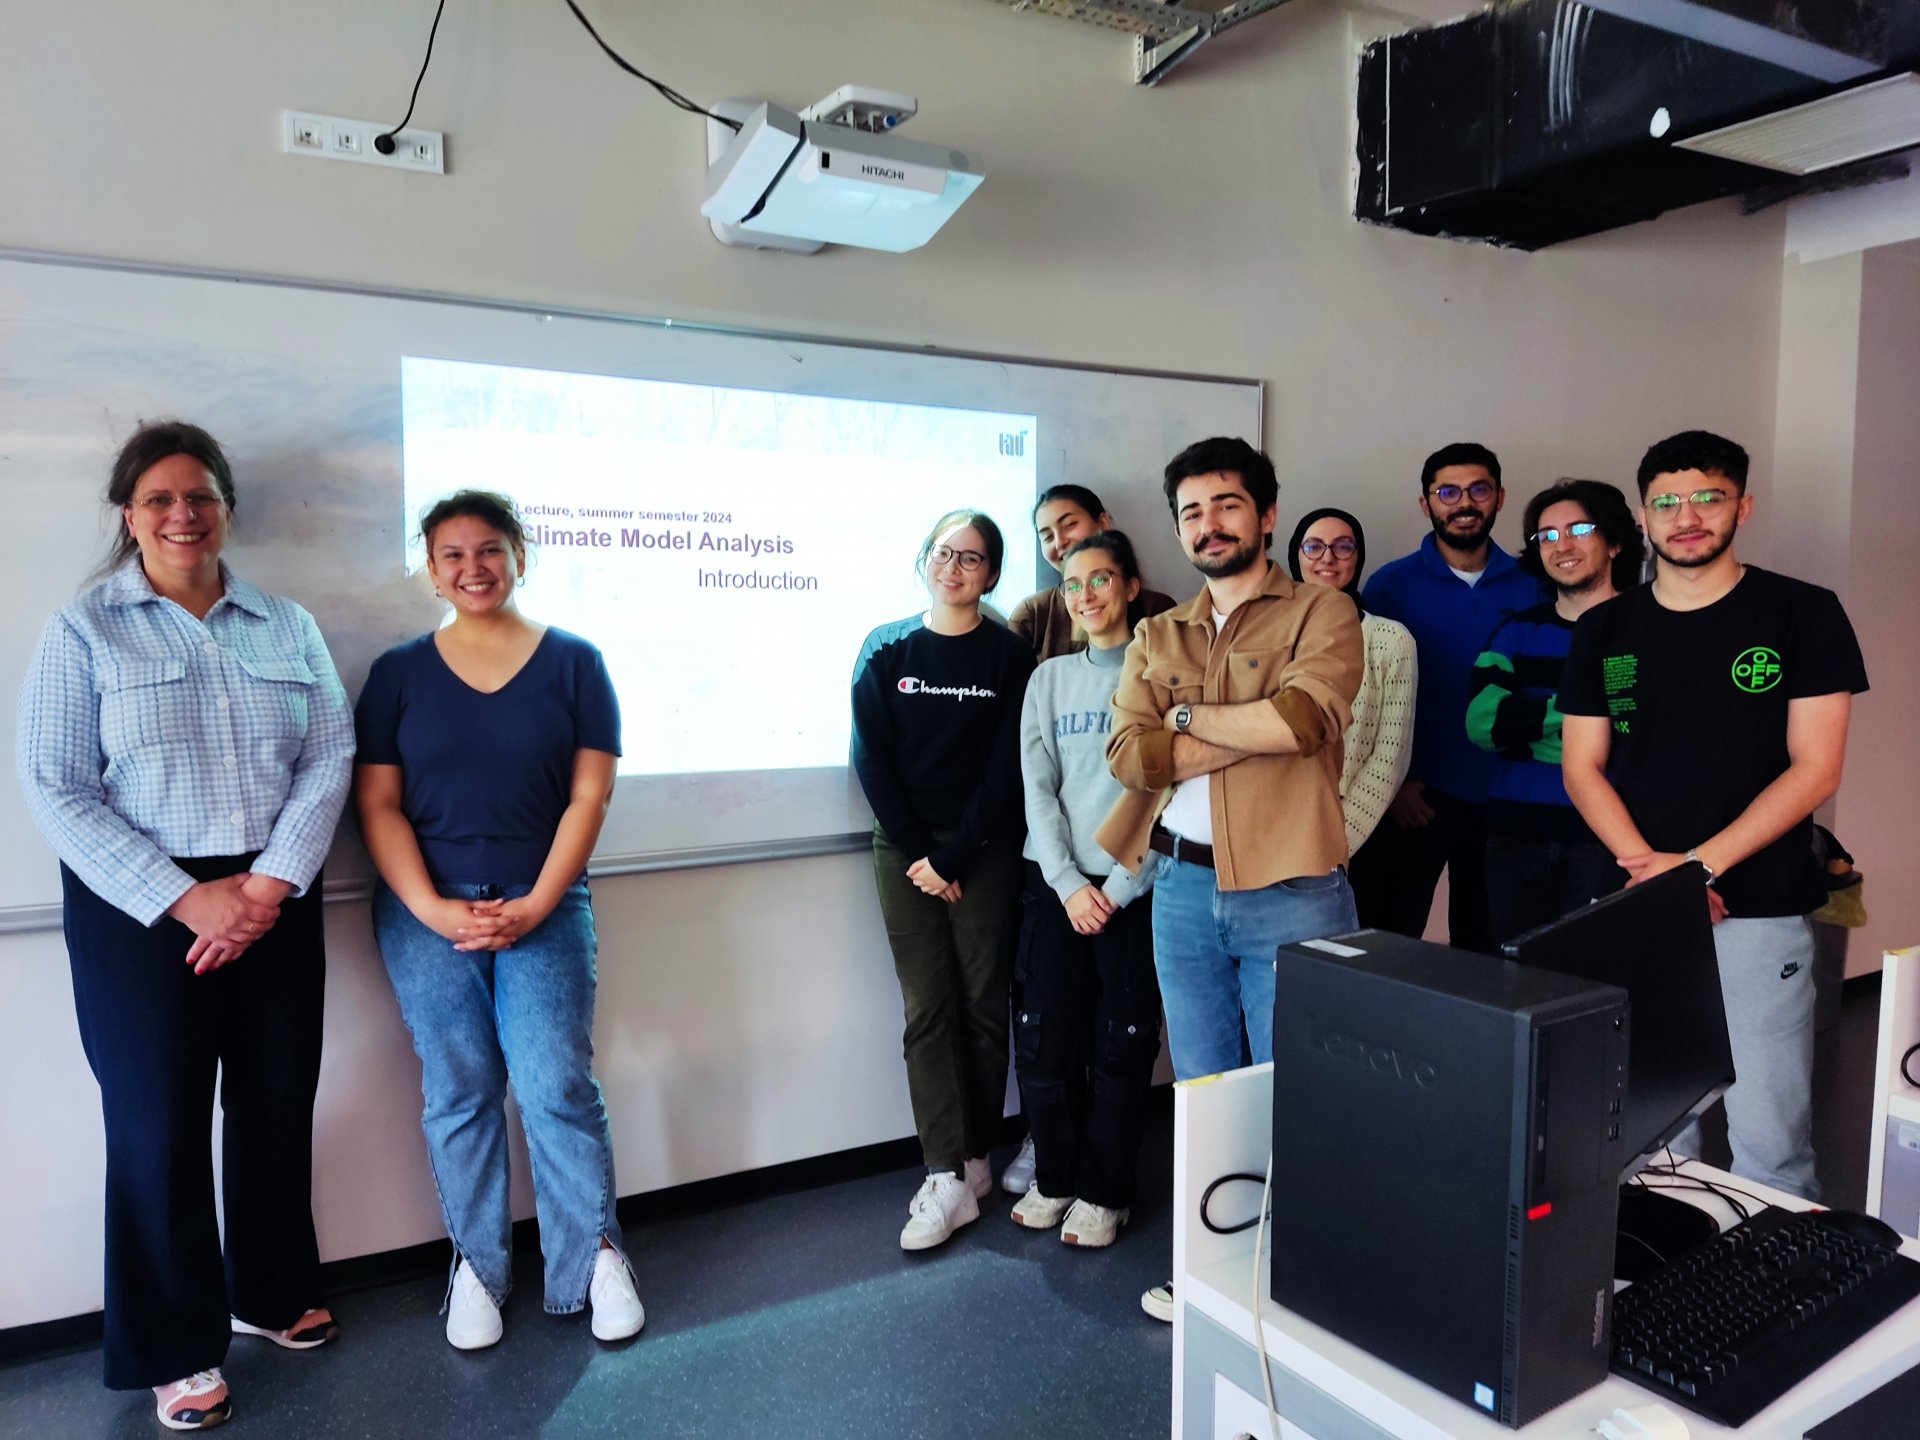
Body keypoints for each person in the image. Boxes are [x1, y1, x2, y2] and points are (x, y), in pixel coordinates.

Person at [16, 421, 354, 1430]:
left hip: (273, 890)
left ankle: (270, 1293)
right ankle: (173, 1347)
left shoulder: (285, 624)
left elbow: (330, 755)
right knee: (157, 1122)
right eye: (159, 499)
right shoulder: (84, 631)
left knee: (274, 1099)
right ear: (129, 515)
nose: (182, 514)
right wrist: (186, 897)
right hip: (138, 908)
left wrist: (269, 885)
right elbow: (55, 786)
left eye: (200, 495)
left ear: (226, 509)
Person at [353, 489, 643, 1350]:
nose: (473, 567)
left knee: (556, 1085)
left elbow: (590, 796)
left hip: (544, 902)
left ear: (520, 556)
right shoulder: (397, 674)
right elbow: (378, 806)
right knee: (461, 1089)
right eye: (452, 554)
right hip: (424, 914)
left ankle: (593, 1259)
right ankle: (477, 1266)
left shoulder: (576, 663)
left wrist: (539, 902)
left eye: (490, 549)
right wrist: (434, 908)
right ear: (431, 568)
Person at [1561, 432, 1867, 1201]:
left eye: (1708, 497)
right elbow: (1582, 767)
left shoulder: (1802, 612)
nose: (1686, 516)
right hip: (1637, 902)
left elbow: (1816, 768)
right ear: (1642, 517)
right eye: (1666, 502)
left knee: (1770, 1133)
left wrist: (1696, 870)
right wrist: (1660, 882)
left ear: (1743, 506)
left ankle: (1779, 1264)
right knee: (1655, 1128)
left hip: (1756, 905)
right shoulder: (1606, 628)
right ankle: (1676, 1264)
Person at [1098, 437, 1362, 1324]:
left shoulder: (1323, 611)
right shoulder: (1158, 632)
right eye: (1192, 512)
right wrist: (1232, 725)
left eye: (1226, 505)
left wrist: (1180, 717)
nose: (1208, 525)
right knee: (1205, 1090)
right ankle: (1213, 1269)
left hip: (1292, 890)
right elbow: (1130, 757)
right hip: (1178, 889)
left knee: (1299, 1086)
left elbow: (1301, 721)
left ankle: (1295, 1276)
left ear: (1267, 515)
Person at [851, 510, 1036, 1250]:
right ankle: (942, 1171)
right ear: (924, 558)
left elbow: (1008, 767)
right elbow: (871, 757)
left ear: (991, 574)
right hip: (903, 850)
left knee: (984, 1004)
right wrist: (922, 855)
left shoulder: (1008, 654)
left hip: (983, 849)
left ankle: (975, 1157)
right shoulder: (885, 647)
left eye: (971, 558)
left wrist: (954, 857)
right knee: (926, 1007)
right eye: (942, 552)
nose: (953, 567)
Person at [1011, 531, 1164, 1248]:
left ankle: (1105, 1194)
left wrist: (1123, 887)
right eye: (1072, 584)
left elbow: (1169, 790)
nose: (1085, 595)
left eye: (1101, 579)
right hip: (1055, 885)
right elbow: (1037, 790)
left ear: (1130, 587)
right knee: (1044, 1042)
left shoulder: (1163, 675)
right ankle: (1056, 1180)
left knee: (1120, 1046)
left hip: (1132, 889)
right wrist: (1070, 883)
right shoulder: (1048, 680)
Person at [1351, 442, 1541, 952]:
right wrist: (1394, 787)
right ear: (1426, 503)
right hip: (1417, 799)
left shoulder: (1535, 584)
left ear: (1499, 497)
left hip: (1506, 797)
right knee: (1388, 940)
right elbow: (1369, 700)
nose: (1464, 503)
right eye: (1448, 492)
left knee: (1491, 946)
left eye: (1478, 489)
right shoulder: (1390, 586)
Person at [1468, 479, 1644, 944]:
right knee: (1514, 972)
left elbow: (1648, 734)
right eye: (1546, 535)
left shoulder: (1648, 632)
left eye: (1579, 529)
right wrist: (1587, 713)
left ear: (1615, 543)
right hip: (1515, 835)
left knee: (1596, 970)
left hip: (1610, 839)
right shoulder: (1516, 631)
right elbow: (1484, 724)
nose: (1561, 545)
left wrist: (1531, 730)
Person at [1286, 508, 1417, 857]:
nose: (1327, 557)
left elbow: (1389, 759)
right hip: (1271, 823)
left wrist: (1333, 846)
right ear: (1296, 555)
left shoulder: (1391, 641)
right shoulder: (1267, 634)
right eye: (1313, 546)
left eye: (1343, 547)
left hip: (1352, 834)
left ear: (1358, 557)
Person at [1006, 484, 1177, 662]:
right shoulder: (1032, 613)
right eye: (1048, 537)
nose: (1059, 543)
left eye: (1069, 525)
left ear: (1103, 523)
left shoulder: (1158, 610)